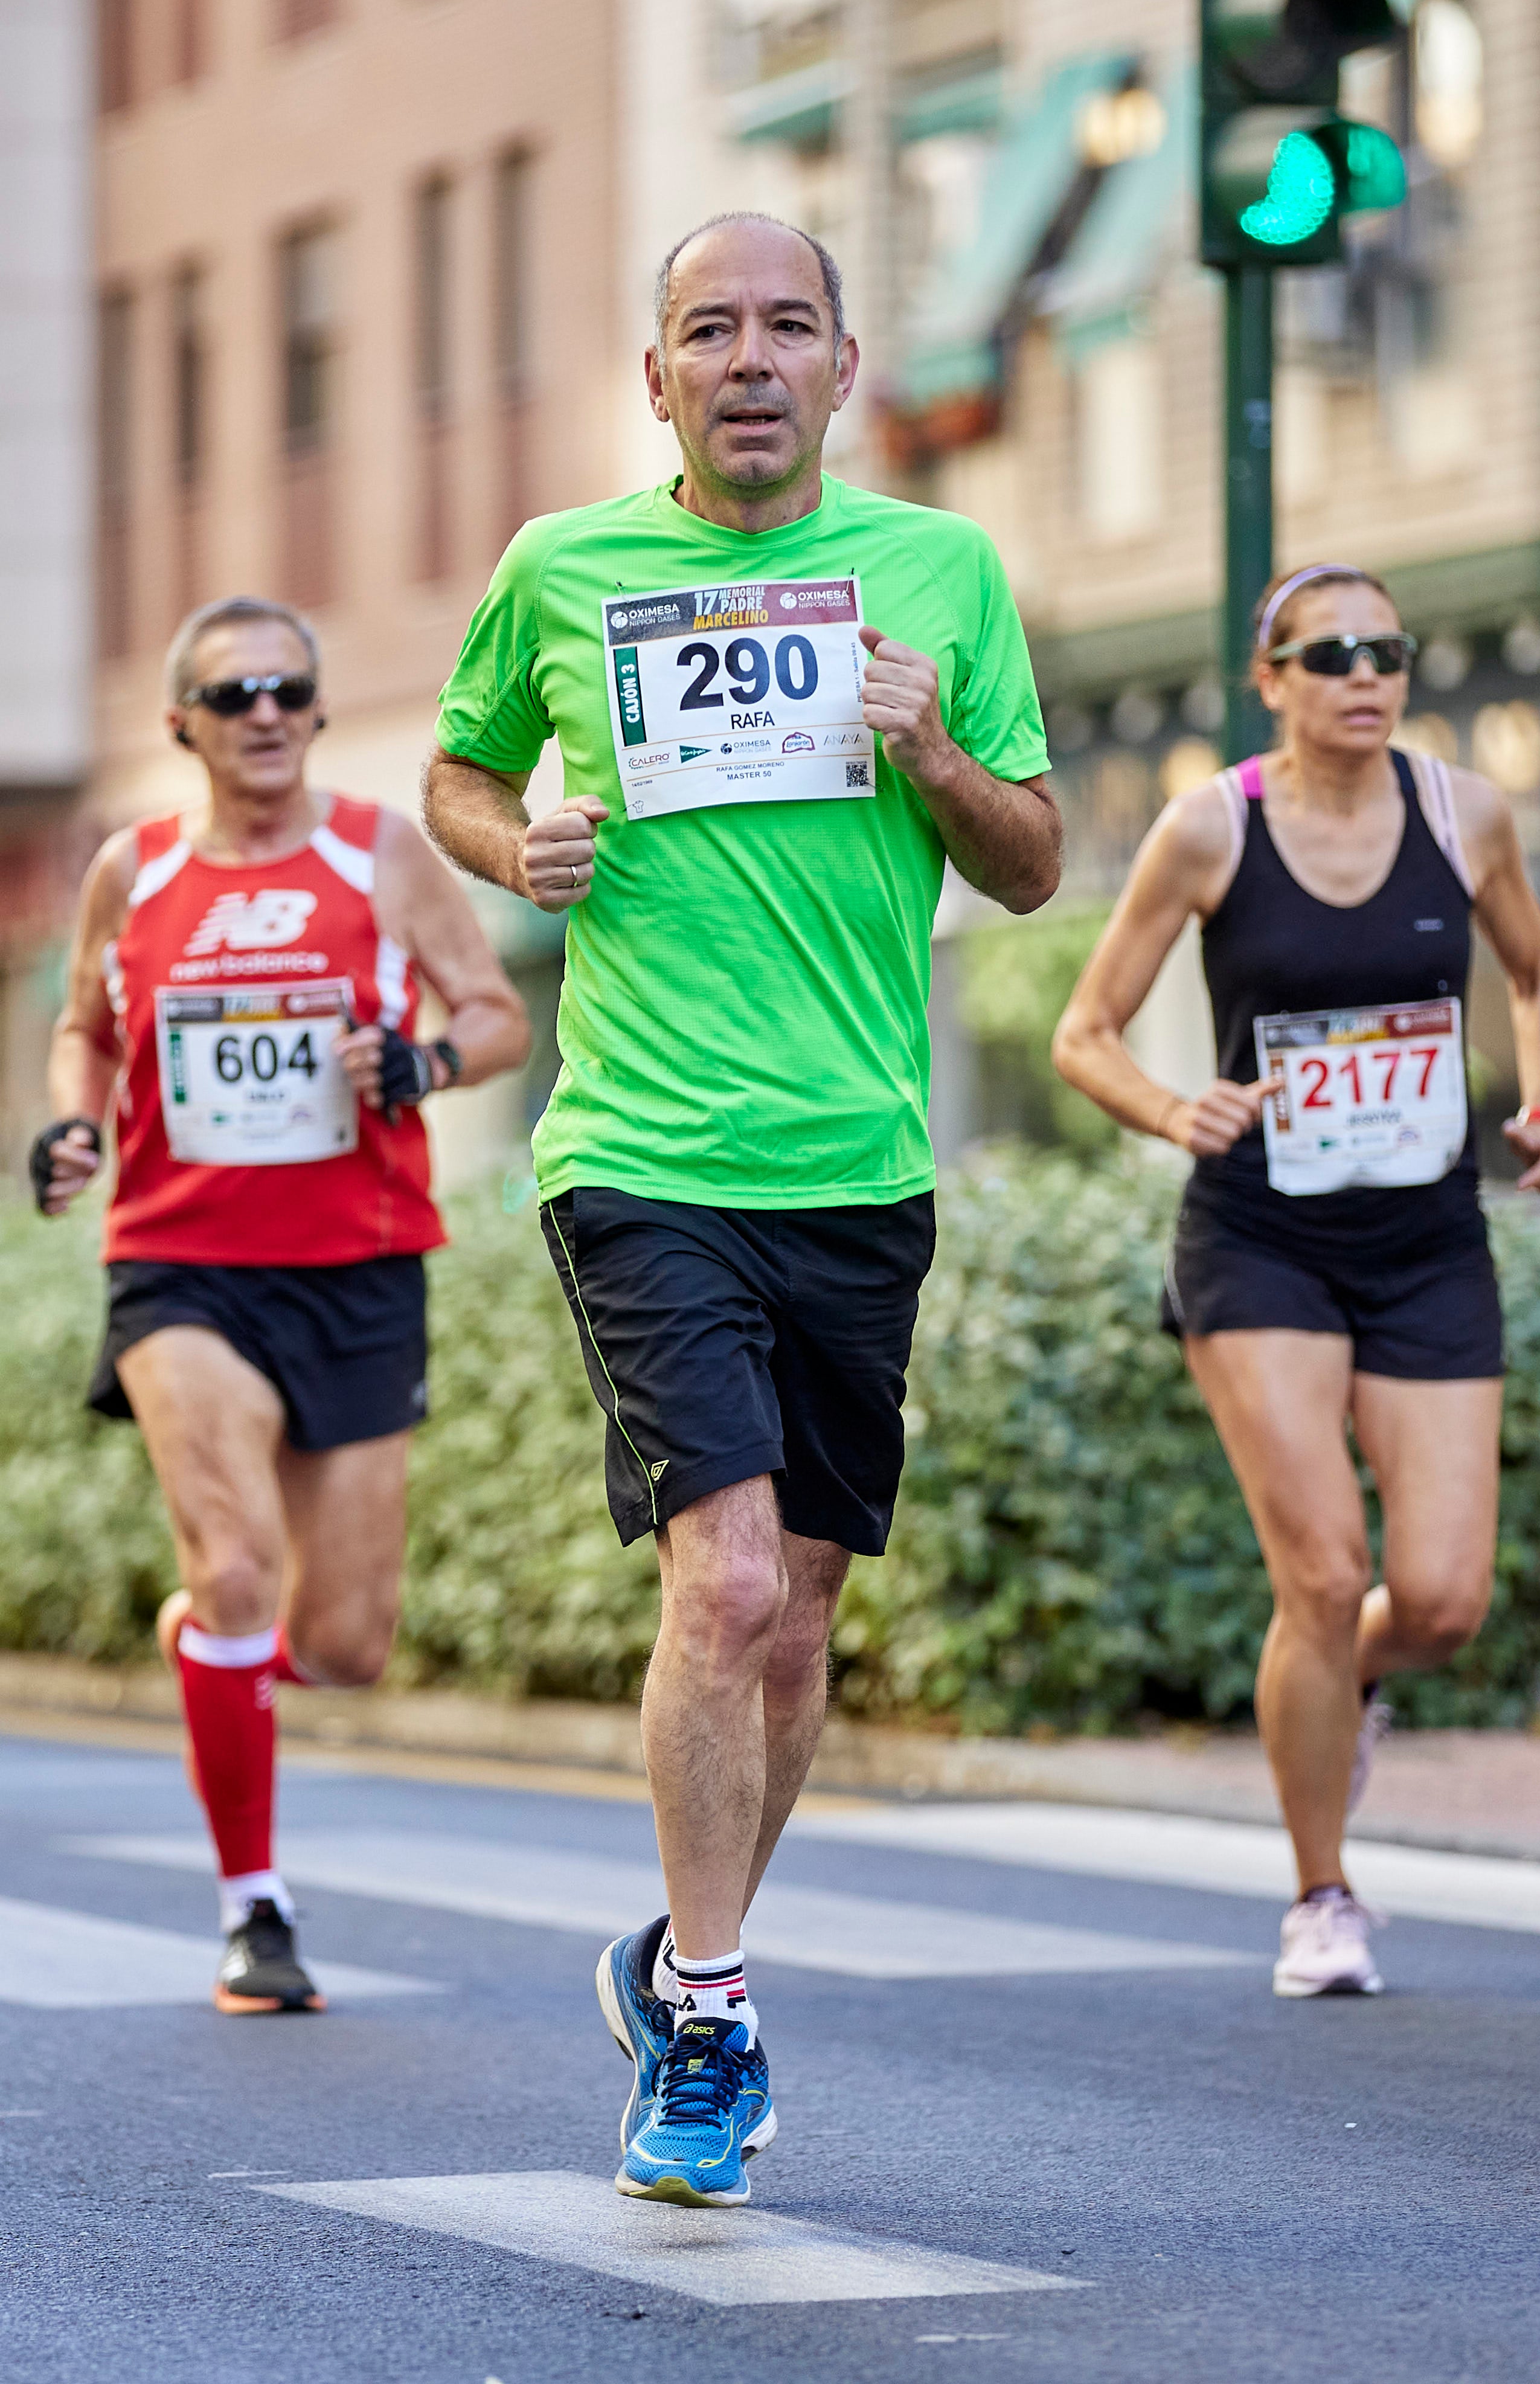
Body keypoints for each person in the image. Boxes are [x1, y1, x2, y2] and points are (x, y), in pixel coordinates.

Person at [423, 212, 1061, 2203]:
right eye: (710, 329)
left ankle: (673, 1955)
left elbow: (1034, 864)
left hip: (857, 1165)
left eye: (788, 325)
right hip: (638, 1151)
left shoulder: (940, 573)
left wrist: (928, 745)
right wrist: (512, 844)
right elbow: (457, 775)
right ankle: (705, 2018)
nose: (751, 358)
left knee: (792, 1643)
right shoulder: (562, 566)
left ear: (844, 370)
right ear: (658, 379)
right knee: (720, 1585)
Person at [1053, 562, 1540, 1997]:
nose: (1364, 673)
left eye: (1387, 650)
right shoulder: (1205, 827)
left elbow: (1534, 974)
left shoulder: (1463, 812)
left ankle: (1337, 1688)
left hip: (1422, 1241)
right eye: (1328, 652)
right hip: (1259, 1236)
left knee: (1441, 1597)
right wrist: (1174, 1111)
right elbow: (1082, 1029)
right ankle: (1320, 1893)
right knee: (1324, 1569)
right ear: (1268, 678)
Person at [36, 594, 530, 2014]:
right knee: (239, 1559)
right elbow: (82, 1026)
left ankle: (215, 1647)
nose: (265, 712)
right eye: (233, 691)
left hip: (359, 1266)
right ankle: (254, 1906)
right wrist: (74, 1126)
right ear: (181, 722)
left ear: (316, 712)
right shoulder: (131, 871)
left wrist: (425, 1064)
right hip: (179, 1265)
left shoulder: (379, 852)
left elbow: (493, 1011)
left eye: (288, 690)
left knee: (343, 1644)